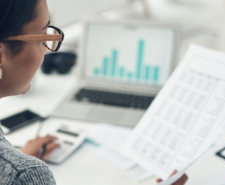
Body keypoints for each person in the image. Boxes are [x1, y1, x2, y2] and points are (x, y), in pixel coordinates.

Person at [0, 0, 188, 184]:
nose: (45, 51)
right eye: (43, 37)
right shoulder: (25, 175)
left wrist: (17, 158)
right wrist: (20, 169)